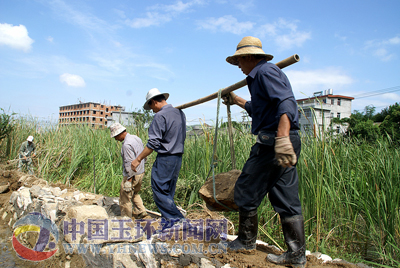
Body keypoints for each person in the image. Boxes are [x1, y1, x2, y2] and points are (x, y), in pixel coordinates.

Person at [223, 36, 306, 268]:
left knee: (246, 186)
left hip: (274, 143)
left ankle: (246, 242)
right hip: (284, 140)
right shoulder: (258, 77)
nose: (238, 65)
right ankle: (296, 254)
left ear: (249, 57)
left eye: (239, 60)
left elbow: (286, 102)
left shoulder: (265, 72)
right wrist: (237, 99)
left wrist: (281, 137)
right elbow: (260, 110)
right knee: (285, 196)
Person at [131, 88, 186, 230]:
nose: (152, 111)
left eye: (151, 107)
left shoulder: (160, 116)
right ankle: (169, 222)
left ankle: (177, 220)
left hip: (165, 158)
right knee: (168, 191)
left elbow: (153, 143)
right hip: (177, 158)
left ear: (154, 102)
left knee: (159, 190)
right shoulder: (180, 113)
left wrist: (138, 159)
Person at [109, 122, 148, 219]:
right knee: (135, 193)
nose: (115, 139)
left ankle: (126, 218)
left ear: (120, 133)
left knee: (125, 197)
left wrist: (128, 180)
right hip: (140, 172)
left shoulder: (126, 145)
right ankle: (141, 211)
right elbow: (143, 154)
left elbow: (129, 163)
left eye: (115, 136)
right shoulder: (136, 138)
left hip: (132, 175)